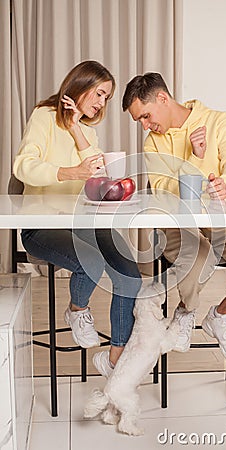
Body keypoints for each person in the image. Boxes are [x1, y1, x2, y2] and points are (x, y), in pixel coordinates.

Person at [122, 72, 226, 363]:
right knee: (198, 255)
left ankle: (223, 314)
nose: (145, 126)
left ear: (162, 98)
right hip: (177, 227)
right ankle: (186, 310)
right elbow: (164, 191)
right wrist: (196, 157)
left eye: (145, 116)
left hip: (224, 225)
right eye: (140, 121)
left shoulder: (219, 121)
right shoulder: (153, 143)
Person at [13, 60, 142, 377]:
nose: (101, 103)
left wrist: (76, 129)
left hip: (85, 223)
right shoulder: (43, 117)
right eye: (99, 93)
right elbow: (23, 167)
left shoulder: (85, 131)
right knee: (92, 261)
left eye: (106, 98)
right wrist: (68, 171)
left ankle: (115, 362)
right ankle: (77, 310)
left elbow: (97, 174)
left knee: (130, 276)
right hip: (42, 226)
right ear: (81, 85)